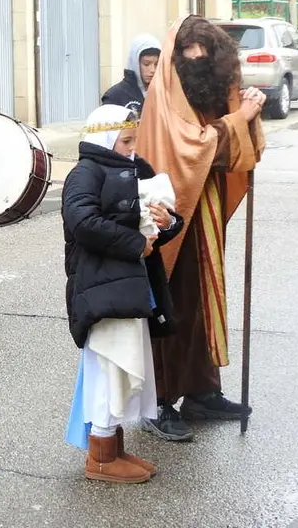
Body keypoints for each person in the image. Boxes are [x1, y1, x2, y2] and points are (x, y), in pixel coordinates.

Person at [136, 15, 266, 442]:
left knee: (203, 299)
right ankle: (159, 400)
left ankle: (200, 390)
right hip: (172, 216)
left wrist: (245, 108)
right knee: (171, 302)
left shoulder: (210, 87)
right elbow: (192, 145)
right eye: (189, 52)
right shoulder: (165, 96)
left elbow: (232, 153)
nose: (197, 59)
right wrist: (238, 118)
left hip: (204, 208)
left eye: (205, 52)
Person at [62, 103, 183, 483]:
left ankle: (112, 447)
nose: (132, 147)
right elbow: (83, 222)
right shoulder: (85, 173)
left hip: (129, 285)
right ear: (106, 137)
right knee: (108, 368)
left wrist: (168, 222)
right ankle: (100, 456)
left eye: (133, 140)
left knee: (122, 364)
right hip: (101, 286)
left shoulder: (135, 168)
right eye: (126, 140)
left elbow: (158, 225)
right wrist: (135, 244)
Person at [102, 34, 162, 114]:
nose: (152, 70)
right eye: (146, 64)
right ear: (135, 63)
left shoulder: (164, 94)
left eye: (156, 64)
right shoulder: (114, 95)